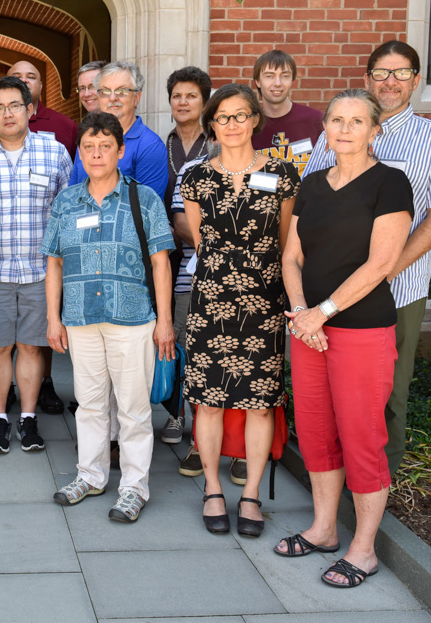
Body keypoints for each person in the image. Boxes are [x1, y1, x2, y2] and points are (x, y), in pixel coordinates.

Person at [304, 40, 431, 475]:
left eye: (401, 73)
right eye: (381, 73)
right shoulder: (335, 134)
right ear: (367, 79)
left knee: (388, 391)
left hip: (399, 287)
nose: (390, 82)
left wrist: (384, 272)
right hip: (328, 289)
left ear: (416, 80)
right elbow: (311, 201)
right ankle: (335, 475)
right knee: (329, 386)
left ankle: (380, 478)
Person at [278, 89, 414, 588]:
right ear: (326, 128)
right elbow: (292, 256)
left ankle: (364, 549)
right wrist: (300, 312)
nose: (345, 128)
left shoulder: (390, 183)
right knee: (315, 431)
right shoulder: (312, 184)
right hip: (307, 330)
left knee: (361, 437)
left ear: (374, 130)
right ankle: (324, 529)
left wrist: (324, 312)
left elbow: (381, 263)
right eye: (336, 119)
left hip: (360, 329)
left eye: (357, 121)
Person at [180, 83, 299, 538]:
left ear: (255, 120)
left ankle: (250, 493)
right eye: (222, 117)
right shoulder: (195, 177)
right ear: (212, 124)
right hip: (210, 301)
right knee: (208, 402)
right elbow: (202, 240)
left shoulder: (284, 174)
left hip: (265, 302)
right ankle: (212, 488)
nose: (231, 124)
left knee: (260, 404)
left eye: (240, 115)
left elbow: (286, 241)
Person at [44, 112, 175, 523]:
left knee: (134, 409)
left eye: (105, 146)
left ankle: (134, 487)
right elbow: (54, 263)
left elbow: (161, 264)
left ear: (120, 151)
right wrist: (53, 317)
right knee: (89, 404)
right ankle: (91, 475)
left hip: (132, 317)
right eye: (88, 147)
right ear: (79, 153)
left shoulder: (144, 198)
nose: (96, 154)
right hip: (81, 317)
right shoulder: (66, 201)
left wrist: (166, 322)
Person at [0, 76, 72, 454]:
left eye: (15, 105)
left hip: (41, 273)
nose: (7, 113)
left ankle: (27, 418)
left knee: (30, 347)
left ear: (29, 109)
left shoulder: (53, 152)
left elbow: (65, 211)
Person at [161, 65, 212, 448]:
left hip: (206, 259)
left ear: (204, 102)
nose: (183, 102)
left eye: (191, 95)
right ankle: (175, 412)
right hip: (171, 254)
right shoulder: (163, 145)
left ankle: (207, 419)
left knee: (206, 344)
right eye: (177, 95)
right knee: (175, 339)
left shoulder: (217, 145)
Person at [70, 61, 168, 198]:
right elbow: (73, 194)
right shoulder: (88, 139)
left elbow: (147, 210)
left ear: (137, 97)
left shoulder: (150, 146)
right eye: (105, 91)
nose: (112, 98)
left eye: (121, 91)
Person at [0, 60, 79, 158]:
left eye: (31, 77)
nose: (24, 80)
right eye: (16, 77)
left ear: (40, 86)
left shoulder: (66, 125)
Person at [251, 50, 324, 177]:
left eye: (285, 76)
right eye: (269, 76)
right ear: (257, 81)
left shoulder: (316, 120)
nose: (278, 83)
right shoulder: (249, 125)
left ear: (292, 80)